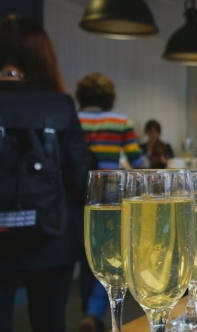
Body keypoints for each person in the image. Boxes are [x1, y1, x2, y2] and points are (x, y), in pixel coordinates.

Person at [0, 15, 90, 332]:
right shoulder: (60, 105)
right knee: (49, 323)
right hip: (52, 239)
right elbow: (80, 178)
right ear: (41, 55)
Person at [76, 72, 144, 331]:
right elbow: (137, 162)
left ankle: (86, 310)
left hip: (79, 197)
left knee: (87, 255)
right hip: (112, 197)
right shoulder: (119, 121)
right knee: (109, 256)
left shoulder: (74, 119)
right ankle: (94, 311)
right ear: (109, 97)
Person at [77, 73, 144, 170]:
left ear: (80, 95)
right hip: (109, 183)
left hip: (76, 183)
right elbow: (137, 161)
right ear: (110, 97)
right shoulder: (121, 121)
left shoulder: (72, 119)